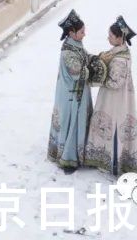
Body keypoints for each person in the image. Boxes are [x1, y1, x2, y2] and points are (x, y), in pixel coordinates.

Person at [84, 16, 137, 177]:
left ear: (119, 37)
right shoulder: (118, 53)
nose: (108, 38)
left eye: (110, 36)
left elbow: (115, 82)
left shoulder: (120, 60)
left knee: (113, 126)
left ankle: (113, 162)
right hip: (114, 98)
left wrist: (100, 76)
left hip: (114, 100)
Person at [47, 10, 93, 174]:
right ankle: (68, 158)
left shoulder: (76, 45)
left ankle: (78, 153)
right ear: (72, 33)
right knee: (71, 122)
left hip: (79, 93)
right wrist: (92, 69)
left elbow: (86, 58)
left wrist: (96, 59)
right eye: (81, 32)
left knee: (77, 121)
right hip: (70, 95)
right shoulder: (67, 51)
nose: (84, 34)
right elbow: (78, 72)